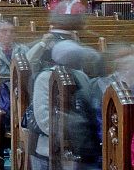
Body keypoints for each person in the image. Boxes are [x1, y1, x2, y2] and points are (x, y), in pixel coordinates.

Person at [29, 39, 102, 170]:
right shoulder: (45, 77)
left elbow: (87, 109)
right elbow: (43, 118)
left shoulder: (81, 76)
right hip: (49, 148)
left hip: (81, 147)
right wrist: (66, 138)